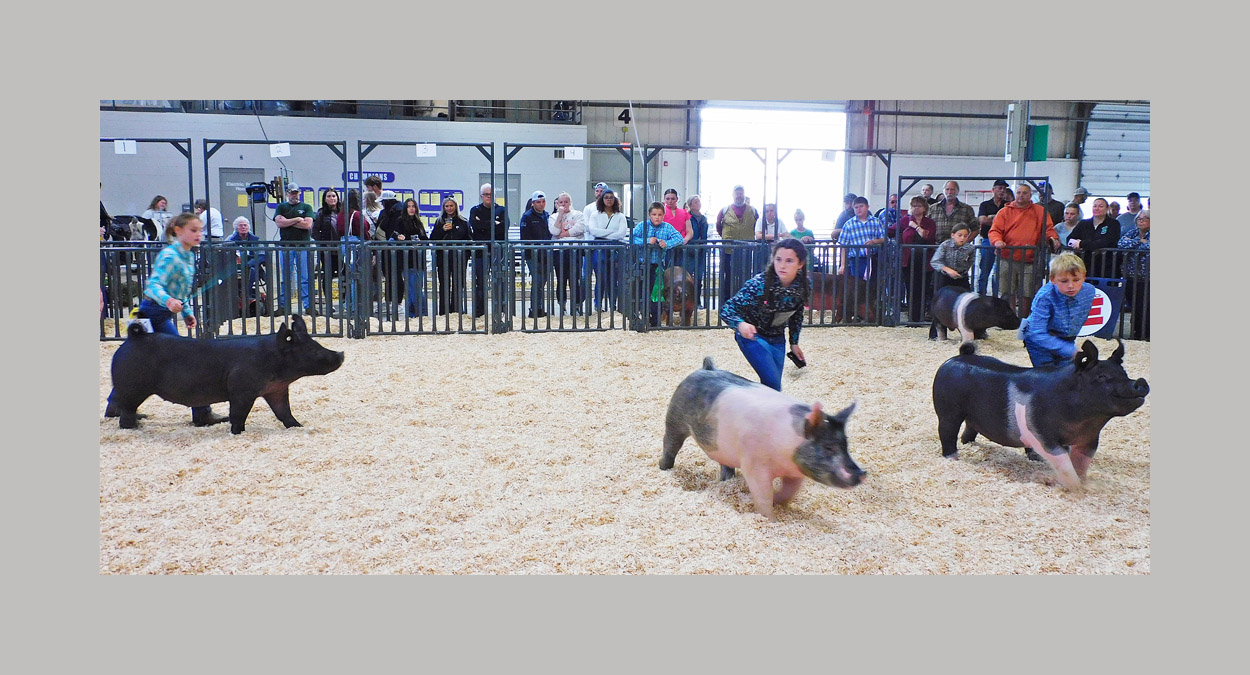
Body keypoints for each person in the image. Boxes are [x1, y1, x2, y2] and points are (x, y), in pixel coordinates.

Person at [126, 211, 224, 425]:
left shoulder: (189, 255)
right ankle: (201, 412)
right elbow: (153, 285)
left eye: (200, 230)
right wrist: (169, 301)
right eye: (193, 230)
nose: (199, 234)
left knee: (136, 360)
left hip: (160, 315)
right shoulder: (170, 255)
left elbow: (182, 290)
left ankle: (117, 406)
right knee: (188, 360)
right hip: (152, 314)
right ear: (178, 231)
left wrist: (187, 311)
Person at [719, 239, 809, 392]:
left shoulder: (804, 285)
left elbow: (797, 314)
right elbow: (727, 309)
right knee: (774, 385)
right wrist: (740, 324)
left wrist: (794, 343)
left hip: (777, 338)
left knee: (772, 389)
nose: (782, 265)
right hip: (753, 336)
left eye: (789, 261)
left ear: (800, 264)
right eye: (778, 259)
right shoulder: (758, 284)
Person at [988, 182, 1059, 319]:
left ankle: (1024, 319)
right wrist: (997, 240)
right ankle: (1009, 319)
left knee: (1028, 292)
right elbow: (995, 230)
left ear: (1030, 195)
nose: (1021, 195)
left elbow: (1048, 229)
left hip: (1030, 259)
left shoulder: (1040, 211)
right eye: (1019, 192)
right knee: (1006, 291)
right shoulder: (1004, 212)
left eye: (1024, 193)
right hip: (1006, 256)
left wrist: (1053, 239)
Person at [1019, 252, 1095, 367]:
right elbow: (1036, 332)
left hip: (1067, 339)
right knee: (1048, 376)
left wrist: (1068, 346)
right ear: (1052, 279)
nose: (1071, 286)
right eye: (1064, 281)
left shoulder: (1089, 292)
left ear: (1084, 277)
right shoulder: (1045, 296)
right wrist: (1068, 349)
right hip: (1039, 342)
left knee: (1067, 375)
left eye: (1076, 280)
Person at [632, 201, 685, 327]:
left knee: (656, 294)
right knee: (641, 292)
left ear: (663, 215)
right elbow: (631, 238)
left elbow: (679, 238)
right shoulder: (642, 226)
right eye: (654, 214)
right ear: (649, 215)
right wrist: (646, 241)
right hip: (641, 265)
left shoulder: (667, 227)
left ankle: (655, 321)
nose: (657, 217)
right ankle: (641, 317)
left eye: (660, 214)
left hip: (658, 267)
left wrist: (667, 243)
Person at [836, 196, 886, 322]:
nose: (858, 209)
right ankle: (855, 315)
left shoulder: (876, 222)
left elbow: (884, 238)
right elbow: (843, 246)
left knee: (873, 287)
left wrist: (874, 241)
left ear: (867, 207)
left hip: (873, 259)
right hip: (856, 260)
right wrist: (842, 265)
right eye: (856, 207)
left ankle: (871, 316)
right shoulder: (849, 224)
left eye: (861, 206)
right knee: (856, 288)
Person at [889, 195, 937, 322]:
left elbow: (927, 236)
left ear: (925, 208)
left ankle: (921, 316)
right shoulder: (905, 220)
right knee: (910, 288)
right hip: (909, 261)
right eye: (914, 205)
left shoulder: (929, 222)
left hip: (925, 260)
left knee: (923, 289)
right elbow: (891, 231)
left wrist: (915, 226)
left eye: (919, 206)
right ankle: (912, 318)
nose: (916, 208)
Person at [716, 185, 761, 305]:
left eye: (741, 193)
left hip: (746, 250)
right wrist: (726, 238)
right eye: (737, 193)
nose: (739, 196)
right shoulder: (724, 210)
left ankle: (744, 300)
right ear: (733, 195)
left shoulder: (753, 210)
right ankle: (726, 301)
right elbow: (718, 227)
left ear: (744, 195)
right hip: (728, 250)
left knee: (745, 275)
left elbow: (758, 226)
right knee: (728, 275)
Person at [585, 188, 629, 312]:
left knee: (613, 279)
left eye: (611, 197)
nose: (609, 200)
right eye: (606, 197)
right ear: (602, 199)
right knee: (601, 278)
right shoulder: (595, 215)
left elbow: (621, 234)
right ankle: (598, 304)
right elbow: (593, 231)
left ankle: (613, 305)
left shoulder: (620, 216)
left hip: (615, 249)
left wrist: (604, 234)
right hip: (599, 248)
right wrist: (611, 233)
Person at [273, 183, 314, 315]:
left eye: (296, 192)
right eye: (291, 192)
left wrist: (287, 222)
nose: (294, 195)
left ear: (299, 193)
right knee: (286, 277)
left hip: (303, 246)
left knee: (305, 277)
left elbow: (307, 225)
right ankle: (284, 306)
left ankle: (308, 306)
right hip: (286, 246)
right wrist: (297, 219)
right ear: (287, 193)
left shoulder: (306, 206)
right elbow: (279, 223)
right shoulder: (281, 207)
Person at [469, 183, 508, 319]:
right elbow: (474, 225)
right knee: (480, 282)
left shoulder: (502, 210)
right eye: (486, 194)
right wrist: (493, 224)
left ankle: (501, 310)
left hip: (498, 252)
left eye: (491, 195)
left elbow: (504, 227)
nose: (489, 197)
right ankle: (480, 311)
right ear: (481, 196)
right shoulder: (475, 210)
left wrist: (484, 225)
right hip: (481, 252)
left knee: (500, 281)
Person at [429, 196, 470, 316]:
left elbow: (469, 239)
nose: (449, 208)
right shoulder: (439, 221)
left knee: (458, 284)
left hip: (459, 258)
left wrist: (466, 255)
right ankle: (444, 311)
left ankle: (456, 310)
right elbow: (433, 239)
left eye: (451, 206)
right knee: (444, 284)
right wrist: (442, 230)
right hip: (443, 258)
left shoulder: (463, 221)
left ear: (456, 206)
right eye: (447, 206)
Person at [548, 191, 587, 316]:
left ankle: (576, 305)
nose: (563, 204)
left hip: (575, 250)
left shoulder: (578, 214)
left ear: (570, 202)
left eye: (566, 202)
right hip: (559, 251)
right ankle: (562, 305)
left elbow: (580, 228)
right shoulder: (553, 217)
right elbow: (553, 230)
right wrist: (559, 215)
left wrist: (562, 235)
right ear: (557, 203)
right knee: (561, 279)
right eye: (561, 202)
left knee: (575, 279)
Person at [392, 197, 430, 317]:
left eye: (413, 206)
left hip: (418, 259)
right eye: (409, 206)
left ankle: (415, 314)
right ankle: (418, 313)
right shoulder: (400, 221)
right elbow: (396, 235)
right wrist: (400, 238)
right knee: (413, 289)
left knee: (416, 288)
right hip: (408, 260)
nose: (411, 209)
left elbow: (425, 239)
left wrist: (420, 242)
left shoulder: (418, 221)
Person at [975, 179, 1013, 296]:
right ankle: (981, 296)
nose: (1002, 191)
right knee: (985, 270)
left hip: (1004, 241)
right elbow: (982, 220)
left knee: (999, 272)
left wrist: (992, 218)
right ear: (993, 190)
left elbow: (1010, 223)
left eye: (1004, 189)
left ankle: (995, 298)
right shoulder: (985, 204)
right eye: (999, 188)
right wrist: (999, 220)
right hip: (987, 240)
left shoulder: (1008, 206)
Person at [1116, 209, 1150, 340]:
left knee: (1146, 307)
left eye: (1145, 219)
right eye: (1139, 219)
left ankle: (1146, 334)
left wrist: (1135, 244)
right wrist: (1140, 242)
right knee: (1134, 306)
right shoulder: (1133, 232)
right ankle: (1136, 333)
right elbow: (1121, 244)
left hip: (1147, 278)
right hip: (1130, 276)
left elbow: (1149, 247)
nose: (1141, 221)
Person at [1066, 197, 1121, 277]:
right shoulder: (1083, 223)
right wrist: (1075, 244)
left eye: (1101, 206)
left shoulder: (1114, 224)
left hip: (1106, 267)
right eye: (1095, 206)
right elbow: (1070, 239)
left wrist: (1081, 243)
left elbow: (1106, 242)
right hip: (1084, 266)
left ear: (1107, 208)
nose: (1097, 208)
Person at [519, 191, 552, 318]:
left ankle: (539, 307)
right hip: (532, 255)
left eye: (543, 201)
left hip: (545, 254)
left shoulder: (547, 216)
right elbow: (525, 237)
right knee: (537, 281)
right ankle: (534, 308)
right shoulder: (527, 217)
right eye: (538, 202)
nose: (541, 204)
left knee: (542, 282)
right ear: (533, 203)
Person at [310, 189, 342, 317]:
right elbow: (314, 231)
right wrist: (322, 244)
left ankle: (344, 302)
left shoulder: (342, 212)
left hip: (341, 250)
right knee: (327, 277)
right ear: (325, 199)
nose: (332, 198)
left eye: (334, 196)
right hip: (326, 251)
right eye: (329, 196)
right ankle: (329, 304)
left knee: (344, 276)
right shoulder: (321, 213)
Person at [225, 216, 265, 307]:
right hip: (234, 266)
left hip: (251, 266)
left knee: (252, 271)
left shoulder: (255, 239)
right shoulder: (230, 239)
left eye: (245, 225)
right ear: (236, 228)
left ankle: (247, 294)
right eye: (240, 225)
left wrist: (249, 263)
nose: (243, 227)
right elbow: (224, 252)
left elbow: (262, 255)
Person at [685, 195, 711, 305]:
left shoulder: (703, 218)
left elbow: (704, 235)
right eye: (695, 202)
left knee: (699, 276)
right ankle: (687, 301)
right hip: (689, 250)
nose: (698, 204)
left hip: (701, 250)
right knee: (688, 276)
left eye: (699, 201)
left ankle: (697, 301)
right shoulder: (687, 217)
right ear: (690, 204)